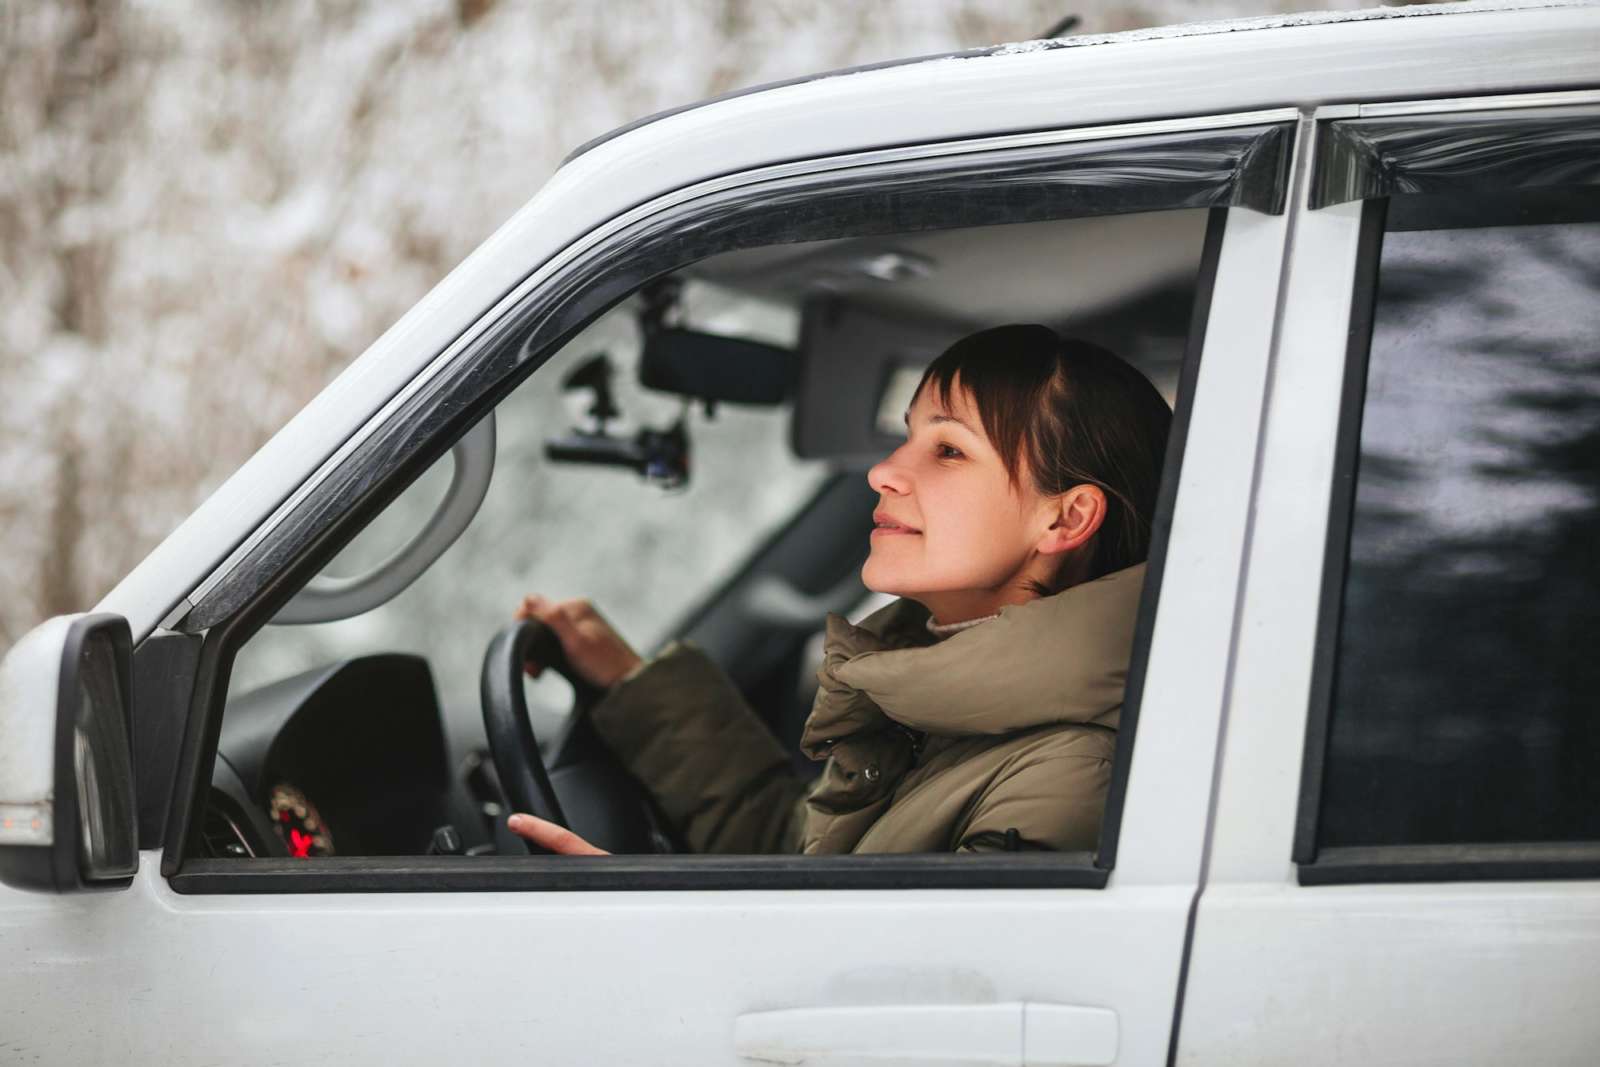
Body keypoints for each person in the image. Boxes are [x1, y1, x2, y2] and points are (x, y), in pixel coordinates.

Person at [508, 323, 1171, 855]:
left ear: (1066, 518)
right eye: (907, 435)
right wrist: (633, 684)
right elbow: (798, 856)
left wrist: (628, 917)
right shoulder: (925, 706)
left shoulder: (1073, 776)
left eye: (948, 450)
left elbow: (911, 1005)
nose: (884, 471)